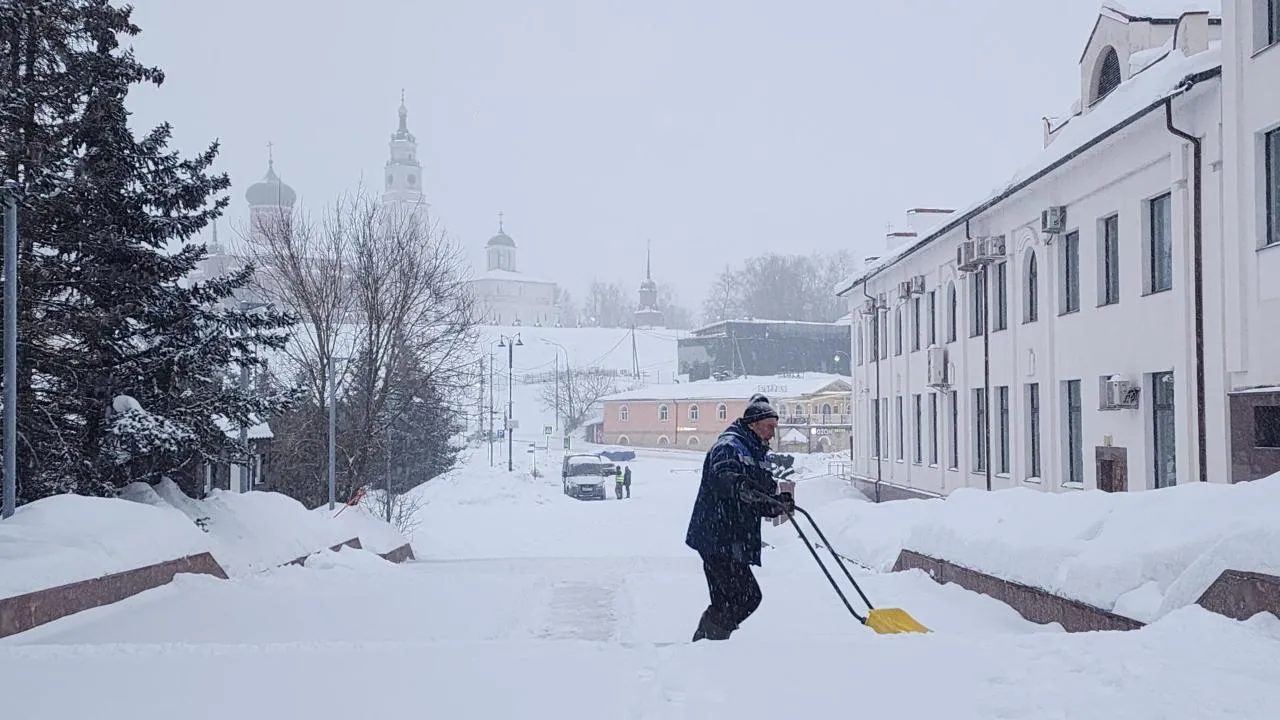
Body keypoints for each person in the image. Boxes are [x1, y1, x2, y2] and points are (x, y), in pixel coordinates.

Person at [684, 393, 795, 641]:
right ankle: (708, 640)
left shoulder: (758, 453)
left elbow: (760, 495)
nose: (772, 434)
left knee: (727, 600)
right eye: (769, 427)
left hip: (731, 537)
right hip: (717, 536)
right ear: (753, 424)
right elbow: (725, 479)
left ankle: (709, 644)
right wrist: (742, 488)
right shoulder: (729, 447)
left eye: (774, 428)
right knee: (747, 596)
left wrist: (777, 504)